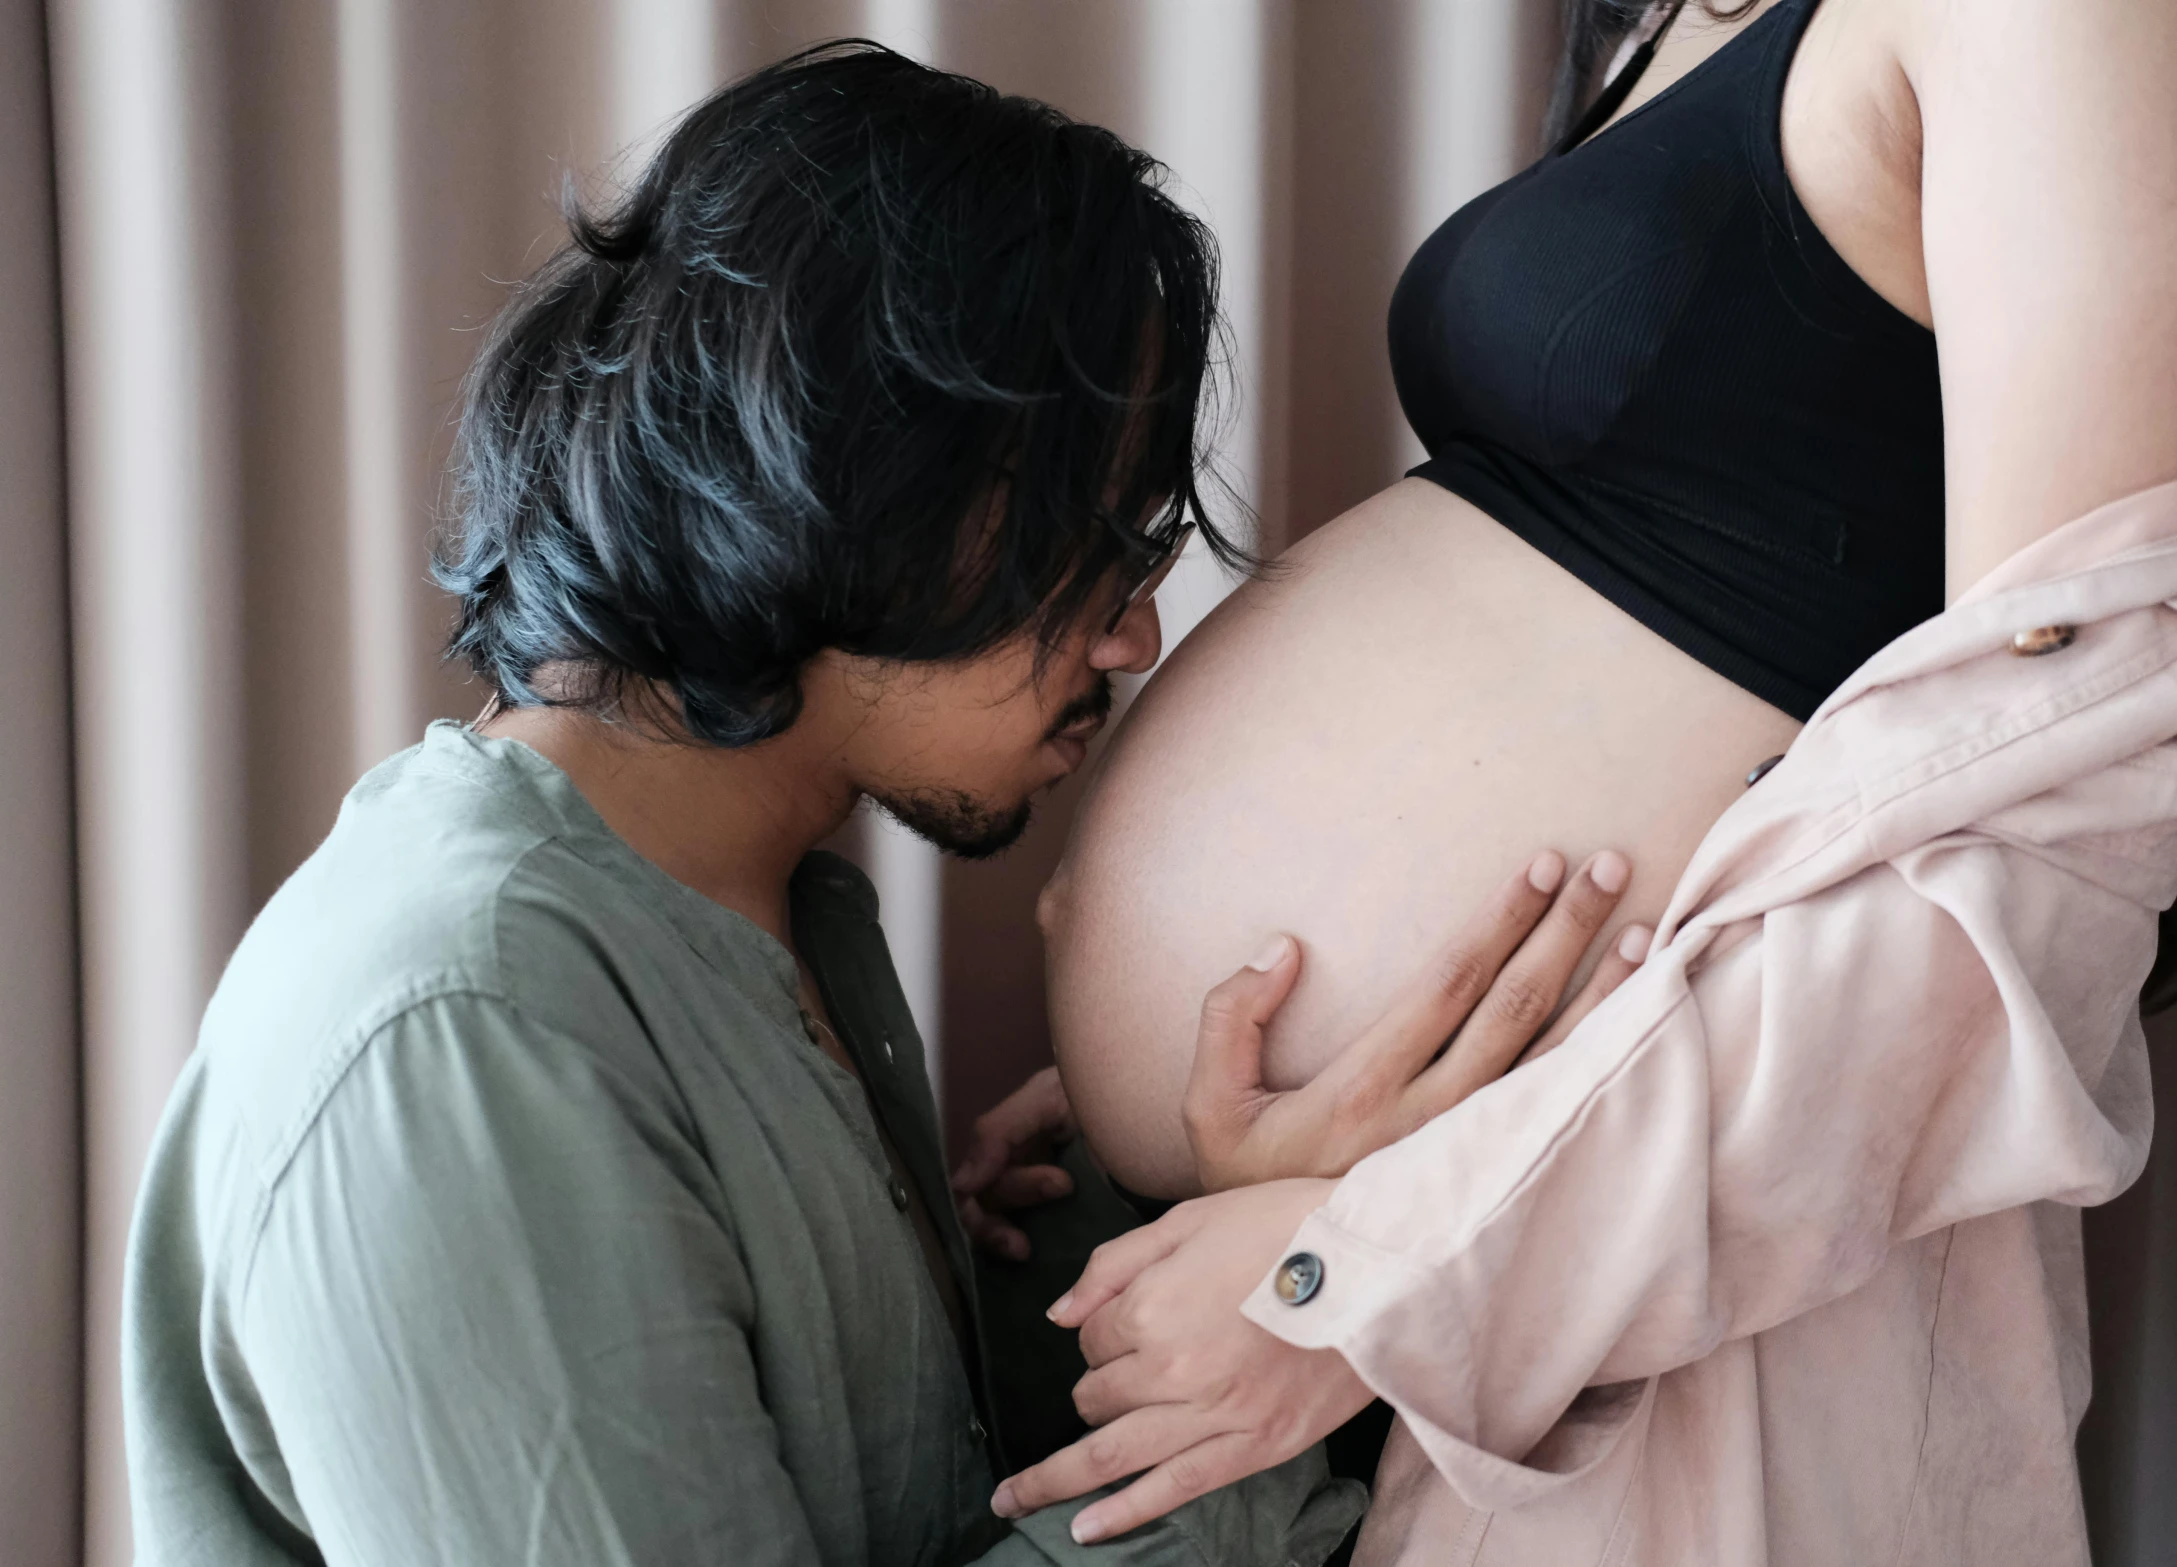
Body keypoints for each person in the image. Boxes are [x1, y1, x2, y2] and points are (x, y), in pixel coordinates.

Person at [117, 43, 1649, 1567]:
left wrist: (1133, 1237)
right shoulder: (459, 1032)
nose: (1131, 632)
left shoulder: (765, 921)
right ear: (864, 473)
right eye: (1100, 529)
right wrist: (1290, 1320)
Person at [1002, 0, 2177, 1558]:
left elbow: (2057, 824)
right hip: (1365, 1258)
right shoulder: (1681, 18)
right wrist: (1202, 1059)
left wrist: (1389, 1273)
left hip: (1622, 1333)